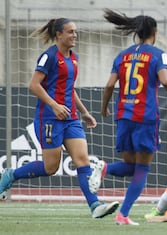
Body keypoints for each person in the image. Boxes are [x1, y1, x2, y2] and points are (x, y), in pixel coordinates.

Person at [0, 18, 119, 218]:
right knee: (50, 168)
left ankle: (95, 206)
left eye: (75, 32)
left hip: (71, 119)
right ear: (59, 34)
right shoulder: (49, 57)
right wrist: (54, 106)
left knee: (82, 161)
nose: (74, 35)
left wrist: (84, 111)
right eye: (70, 32)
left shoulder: (74, 58)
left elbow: (69, 89)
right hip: (49, 118)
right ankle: (11, 175)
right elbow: (34, 85)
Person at [88, 9, 167, 225]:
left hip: (124, 115)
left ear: (137, 32)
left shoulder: (122, 55)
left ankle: (104, 168)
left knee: (131, 166)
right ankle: (122, 214)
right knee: (142, 169)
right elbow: (166, 81)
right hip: (145, 117)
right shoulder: (157, 54)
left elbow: (108, 85)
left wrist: (104, 107)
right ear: (154, 32)